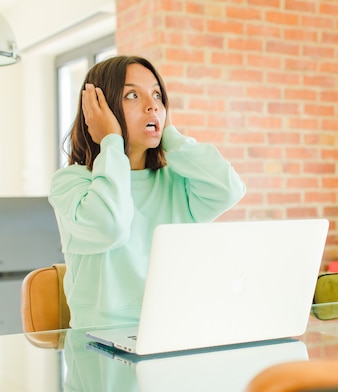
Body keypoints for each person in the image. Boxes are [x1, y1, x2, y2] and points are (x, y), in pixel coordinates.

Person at [49, 55, 246, 328]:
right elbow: (110, 226)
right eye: (132, 95)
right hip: (103, 348)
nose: (152, 105)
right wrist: (111, 140)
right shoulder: (71, 184)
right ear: (98, 110)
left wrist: (168, 135)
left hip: (174, 333)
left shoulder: (177, 182)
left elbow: (229, 189)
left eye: (157, 95)